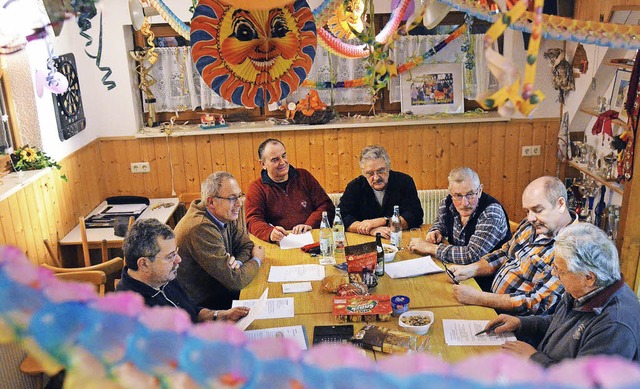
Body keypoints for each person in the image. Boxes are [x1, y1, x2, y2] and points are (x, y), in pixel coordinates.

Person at [485, 223, 640, 367]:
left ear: (589, 278)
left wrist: (533, 358)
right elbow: (561, 323)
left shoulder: (615, 326)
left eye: (560, 270)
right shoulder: (586, 291)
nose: (554, 273)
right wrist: (521, 323)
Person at [449, 176, 575, 315]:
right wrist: (471, 269)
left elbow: (538, 302)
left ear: (561, 204)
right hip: (489, 303)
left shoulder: (571, 248)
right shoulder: (533, 225)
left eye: (537, 210)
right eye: (527, 211)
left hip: (514, 323)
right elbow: (506, 252)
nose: (530, 218)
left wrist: (478, 298)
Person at [116, 218, 249, 323]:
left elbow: (192, 312)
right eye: (170, 256)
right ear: (144, 264)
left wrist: (222, 315)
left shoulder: (162, 277)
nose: (178, 260)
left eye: (176, 253)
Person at [174, 171, 266, 310]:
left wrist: (238, 263)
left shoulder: (224, 214)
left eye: (239, 196)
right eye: (232, 198)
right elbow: (235, 280)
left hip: (220, 289)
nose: (239, 204)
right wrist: (257, 259)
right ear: (211, 201)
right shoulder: (200, 228)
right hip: (203, 307)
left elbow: (246, 245)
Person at [408, 167, 511, 265]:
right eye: (458, 195)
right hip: (458, 268)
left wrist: (429, 248)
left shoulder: (491, 212)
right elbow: (440, 223)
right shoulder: (447, 202)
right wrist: (435, 231)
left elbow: (471, 255)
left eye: (470, 194)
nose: (464, 203)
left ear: (479, 191)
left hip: (485, 278)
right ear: (450, 192)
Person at [245, 138, 335, 243]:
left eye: (284, 156)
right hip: (278, 244)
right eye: (275, 159)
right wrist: (270, 233)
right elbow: (253, 220)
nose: (282, 162)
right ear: (263, 164)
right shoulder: (256, 188)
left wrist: (309, 225)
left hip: (311, 238)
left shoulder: (304, 176)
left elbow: (326, 206)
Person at [338, 145, 423, 238]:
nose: (376, 178)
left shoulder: (404, 181)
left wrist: (384, 221)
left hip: (398, 237)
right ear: (363, 173)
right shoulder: (354, 186)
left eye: (381, 171)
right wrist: (370, 229)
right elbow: (341, 217)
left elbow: (415, 216)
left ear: (388, 168)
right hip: (365, 239)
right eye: (370, 173)